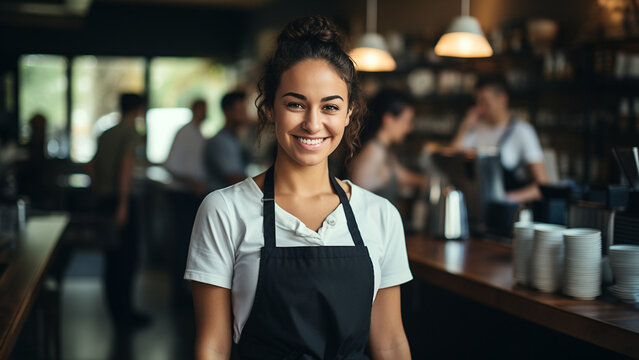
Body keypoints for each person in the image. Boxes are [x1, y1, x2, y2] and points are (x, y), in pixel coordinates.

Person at [185, 16, 413, 360]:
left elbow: (392, 344)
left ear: (349, 113)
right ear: (270, 109)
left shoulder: (380, 216)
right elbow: (212, 347)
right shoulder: (224, 211)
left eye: (330, 107)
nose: (313, 122)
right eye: (296, 104)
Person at [87, 93, 150, 328]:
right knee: (127, 258)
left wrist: (97, 189)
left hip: (104, 200)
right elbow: (126, 165)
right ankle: (125, 315)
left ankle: (116, 312)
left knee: (111, 257)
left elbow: (91, 164)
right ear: (139, 109)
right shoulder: (132, 131)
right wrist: (123, 204)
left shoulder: (106, 133)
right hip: (121, 201)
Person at [451, 75, 548, 203]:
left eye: (484, 101)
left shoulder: (522, 132)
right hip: (476, 207)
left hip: (509, 212)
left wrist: (507, 199)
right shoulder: (475, 129)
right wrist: (464, 127)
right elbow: (453, 161)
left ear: (502, 99)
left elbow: (542, 185)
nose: (480, 107)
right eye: (478, 102)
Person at [165, 99, 209, 306]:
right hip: (183, 194)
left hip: (193, 193)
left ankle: (186, 291)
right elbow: (171, 165)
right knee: (183, 243)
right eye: (201, 109)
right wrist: (192, 183)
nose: (204, 113)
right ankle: (179, 293)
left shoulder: (199, 133)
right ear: (194, 110)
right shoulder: (186, 133)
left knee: (191, 243)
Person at [349, 89, 427, 205]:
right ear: (388, 119)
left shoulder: (382, 149)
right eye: (407, 122)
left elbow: (404, 176)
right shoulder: (374, 152)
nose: (409, 128)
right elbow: (356, 201)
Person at [204, 91, 250, 191]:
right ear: (227, 112)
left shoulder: (234, 138)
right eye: (241, 111)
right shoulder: (219, 141)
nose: (245, 115)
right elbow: (233, 178)